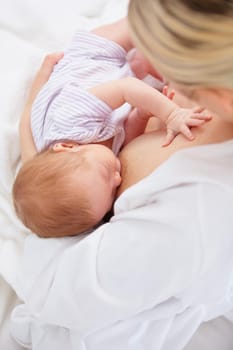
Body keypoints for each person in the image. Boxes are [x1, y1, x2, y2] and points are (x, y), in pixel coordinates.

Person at [10, 2, 233, 349]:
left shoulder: (197, 211)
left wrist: (29, 148)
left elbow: (56, 293)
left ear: (222, 96)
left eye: (168, 65)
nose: (151, 72)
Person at [12, 18, 209, 239]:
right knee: (158, 64)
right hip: (116, 92)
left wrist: (172, 114)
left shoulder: (71, 120)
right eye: (112, 191)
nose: (117, 179)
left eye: (108, 175)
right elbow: (126, 134)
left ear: (66, 146)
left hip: (93, 61)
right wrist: (141, 115)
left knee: (141, 27)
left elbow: (127, 88)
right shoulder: (91, 171)